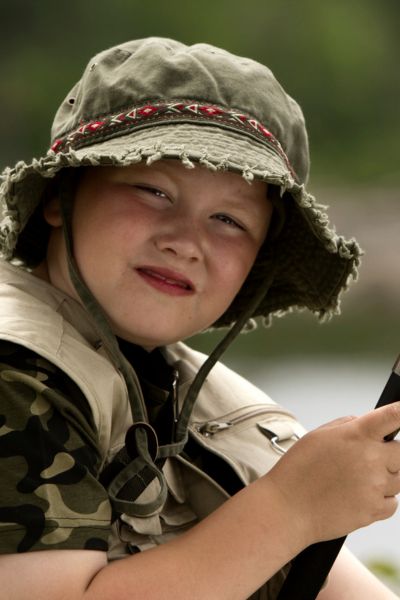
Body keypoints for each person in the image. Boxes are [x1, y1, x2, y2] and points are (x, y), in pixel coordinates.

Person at [0, 37, 399, 600]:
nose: (187, 242)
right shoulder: (15, 373)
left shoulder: (186, 391)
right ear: (62, 199)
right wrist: (291, 507)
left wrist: (319, 498)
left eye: (229, 220)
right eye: (153, 191)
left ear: (258, 260)